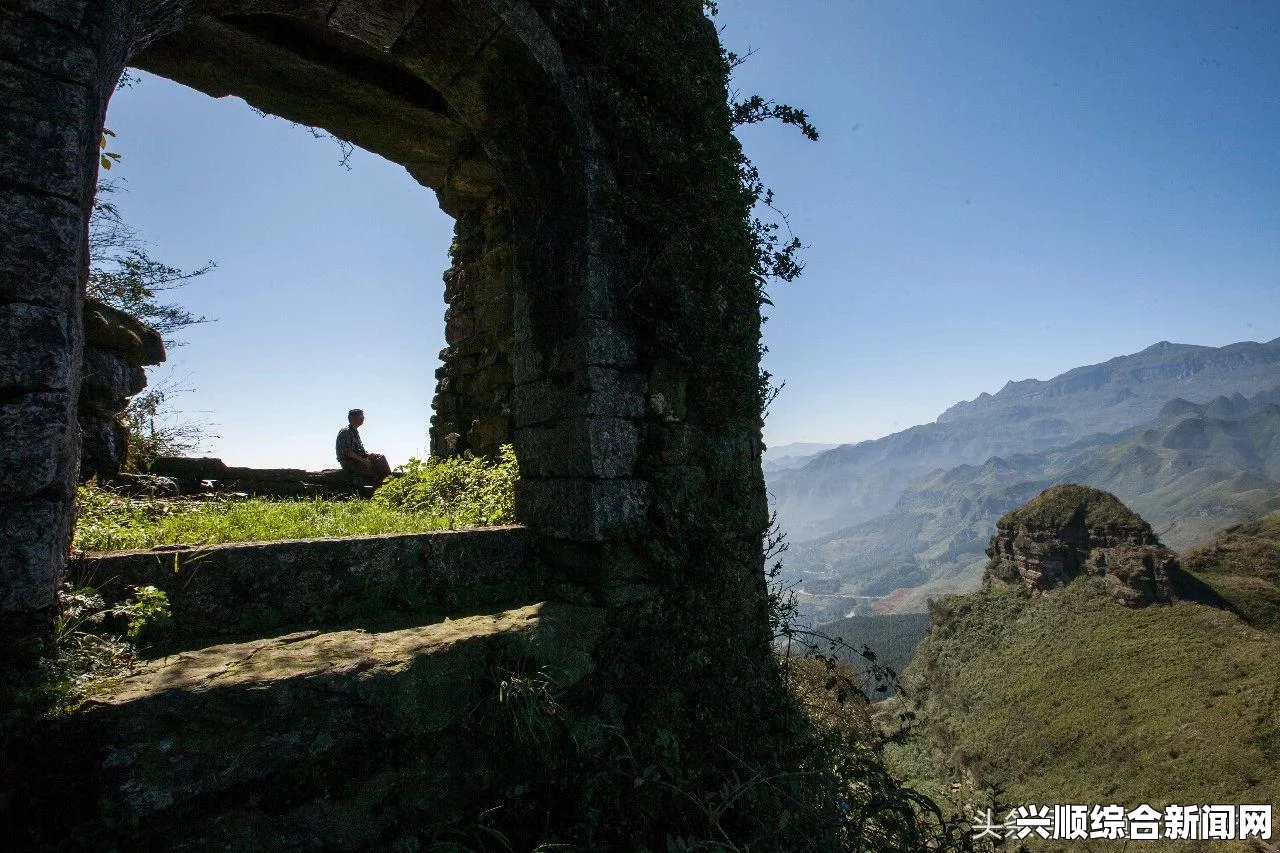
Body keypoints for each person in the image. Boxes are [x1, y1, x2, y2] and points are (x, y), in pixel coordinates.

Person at [335, 408, 392, 487]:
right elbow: (348, 453)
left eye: (363, 417)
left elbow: (359, 450)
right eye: (360, 417)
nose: (363, 419)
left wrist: (369, 455)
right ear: (353, 418)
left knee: (380, 458)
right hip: (349, 462)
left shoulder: (354, 431)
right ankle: (382, 488)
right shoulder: (346, 432)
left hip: (356, 459)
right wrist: (365, 461)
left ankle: (387, 484)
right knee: (376, 468)